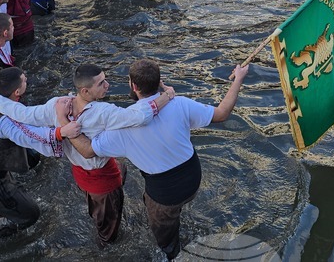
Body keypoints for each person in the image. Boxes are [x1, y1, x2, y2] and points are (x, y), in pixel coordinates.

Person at [70, 58, 249, 260]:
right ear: (159, 82)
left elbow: (86, 151)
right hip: (193, 180)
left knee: (166, 244)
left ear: (133, 86)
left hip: (165, 195)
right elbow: (222, 113)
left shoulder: (122, 127)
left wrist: (64, 127)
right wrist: (238, 79)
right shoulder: (179, 103)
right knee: (159, 203)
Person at [0, 64, 176, 246]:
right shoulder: (103, 112)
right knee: (108, 232)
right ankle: (106, 252)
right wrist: (167, 95)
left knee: (112, 182)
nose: (107, 85)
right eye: (101, 83)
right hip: (103, 182)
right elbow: (141, 116)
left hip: (80, 174)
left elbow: (21, 113)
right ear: (85, 91)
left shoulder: (58, 105)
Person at [0, 67, 81, 238]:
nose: (27, 79)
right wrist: (62, 132)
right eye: (24, 80)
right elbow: (29, 135)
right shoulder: (3, 121)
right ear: (17, 91)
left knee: (30, 164)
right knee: (31, 215)